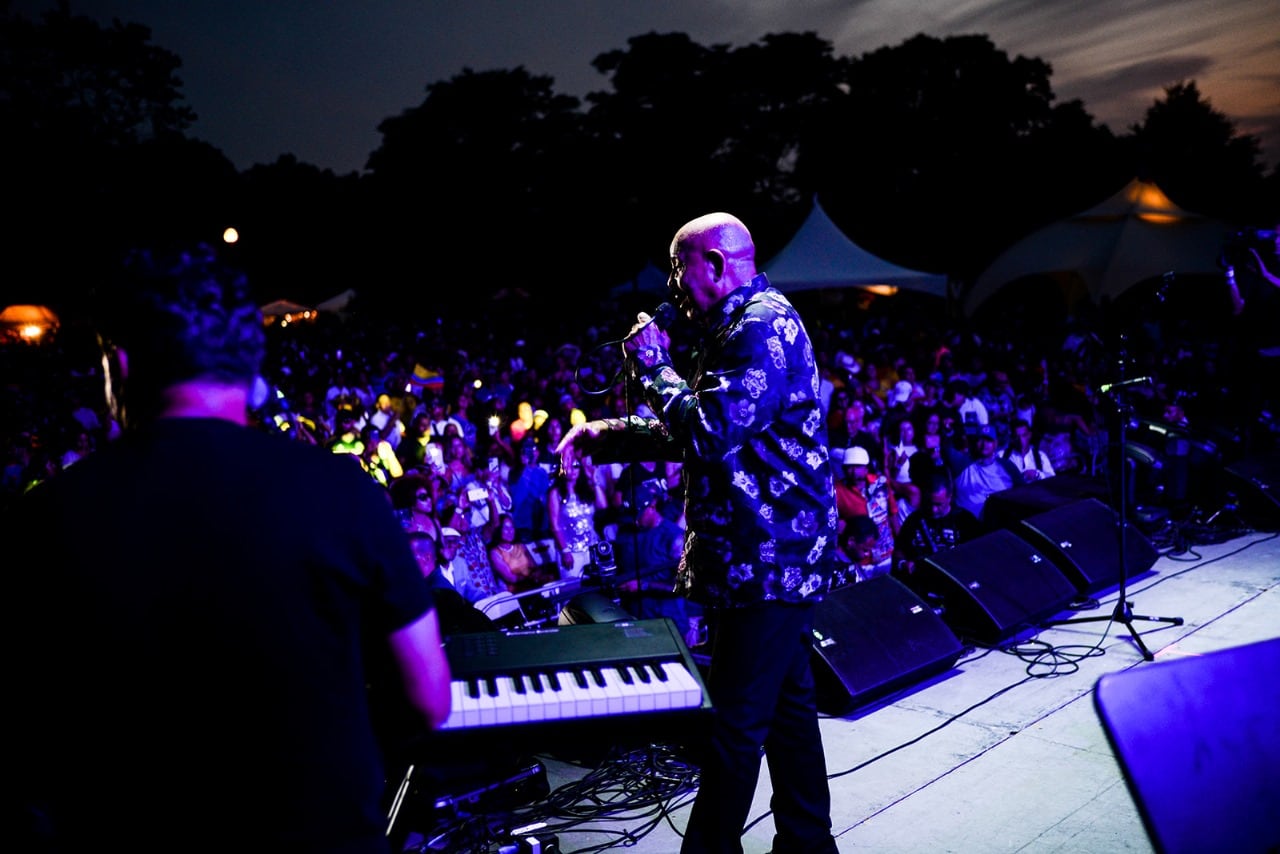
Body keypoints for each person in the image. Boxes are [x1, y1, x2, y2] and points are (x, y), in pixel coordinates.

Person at [7, 245, 452, 852]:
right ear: (251, 368)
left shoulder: (45, 518)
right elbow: (428, 698)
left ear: (122, 365)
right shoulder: (343, 491)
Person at [556, 212, 840, 854]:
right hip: (766, 556)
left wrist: (653, 366)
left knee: (735, 727)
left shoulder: (759, 324)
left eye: (677, 267)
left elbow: (707, 431)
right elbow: (713, 425)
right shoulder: (736, 326)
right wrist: (607, 435)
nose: (672, 283)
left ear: (714, 263)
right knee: (789, 711)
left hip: (767, 558)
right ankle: (808, 842)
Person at [893, 470, 982, 580]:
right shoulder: (914, 520)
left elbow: (978, 554)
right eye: (929, 503)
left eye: (938, 504)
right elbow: (900, 550)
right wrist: (903, 563)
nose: (933, 509)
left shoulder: (965, 520)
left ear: (949, 497)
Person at [954, 423, 1021, 523]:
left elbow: (1023, 490)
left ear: (995, 443)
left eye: (988, 440)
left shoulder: (1007, 466)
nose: (984, 444)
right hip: (967, 524)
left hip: (1001, 523)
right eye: (980, 440)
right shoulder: (962, 463)